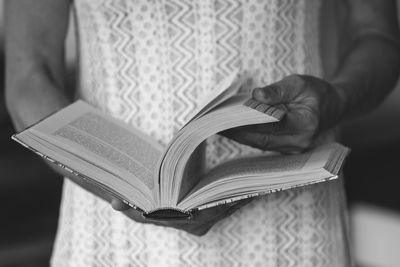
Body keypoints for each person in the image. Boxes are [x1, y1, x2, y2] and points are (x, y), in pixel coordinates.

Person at [5, 0, 400, 266]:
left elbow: (378, 37)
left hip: (293, 227)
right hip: (112, 229)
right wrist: (111, 181)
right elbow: (29, 77)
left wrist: (338, 97)